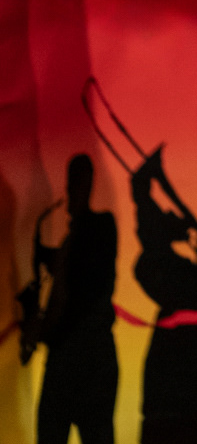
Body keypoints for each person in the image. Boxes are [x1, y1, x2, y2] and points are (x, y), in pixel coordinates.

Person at [130, 150, 197, 444]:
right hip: (182, 418)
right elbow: (154, 263)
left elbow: (148, 267)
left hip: (175, 420)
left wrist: (147, 205)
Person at [31, 154, 118, 444]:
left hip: (76, 356)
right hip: (90, 357)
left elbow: (76, 278)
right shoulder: (95, 231)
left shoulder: (97, 229)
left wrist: (44, 329)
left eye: (74, 185)